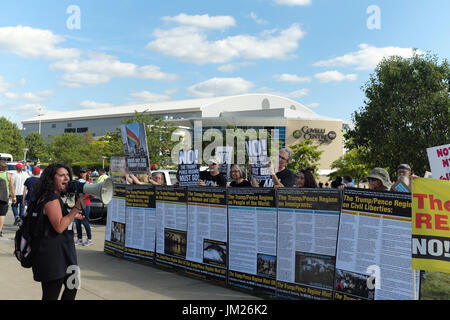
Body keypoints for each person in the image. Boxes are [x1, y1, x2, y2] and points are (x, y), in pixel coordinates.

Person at [31, 163, 84, 300]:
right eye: (61, 175)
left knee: (73, 284)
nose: (66, 178)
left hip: (61, 254)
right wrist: (76, 208)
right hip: (53, 256)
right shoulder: (52, 199)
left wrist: (72, 215)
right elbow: (59, 226)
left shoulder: (48, 196)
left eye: (67, 175)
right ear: (50, 179)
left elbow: (56, 219)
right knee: (52, 295)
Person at [74, 168, 93, 246]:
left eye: (84, 172)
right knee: (77, 222)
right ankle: (79, 239)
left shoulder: (89, 183)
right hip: (78, 205)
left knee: (85, 222)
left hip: (86, 204)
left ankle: (89, 239)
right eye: (81, 172)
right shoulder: (77, 182)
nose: (82, 173)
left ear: (86, 173)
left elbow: (90, 194)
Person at [0, 160, 15, 237]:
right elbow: (12, 187)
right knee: (2, 214)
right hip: (3, 197)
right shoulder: (8, 175)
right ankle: (0, 230)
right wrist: (14, 197)